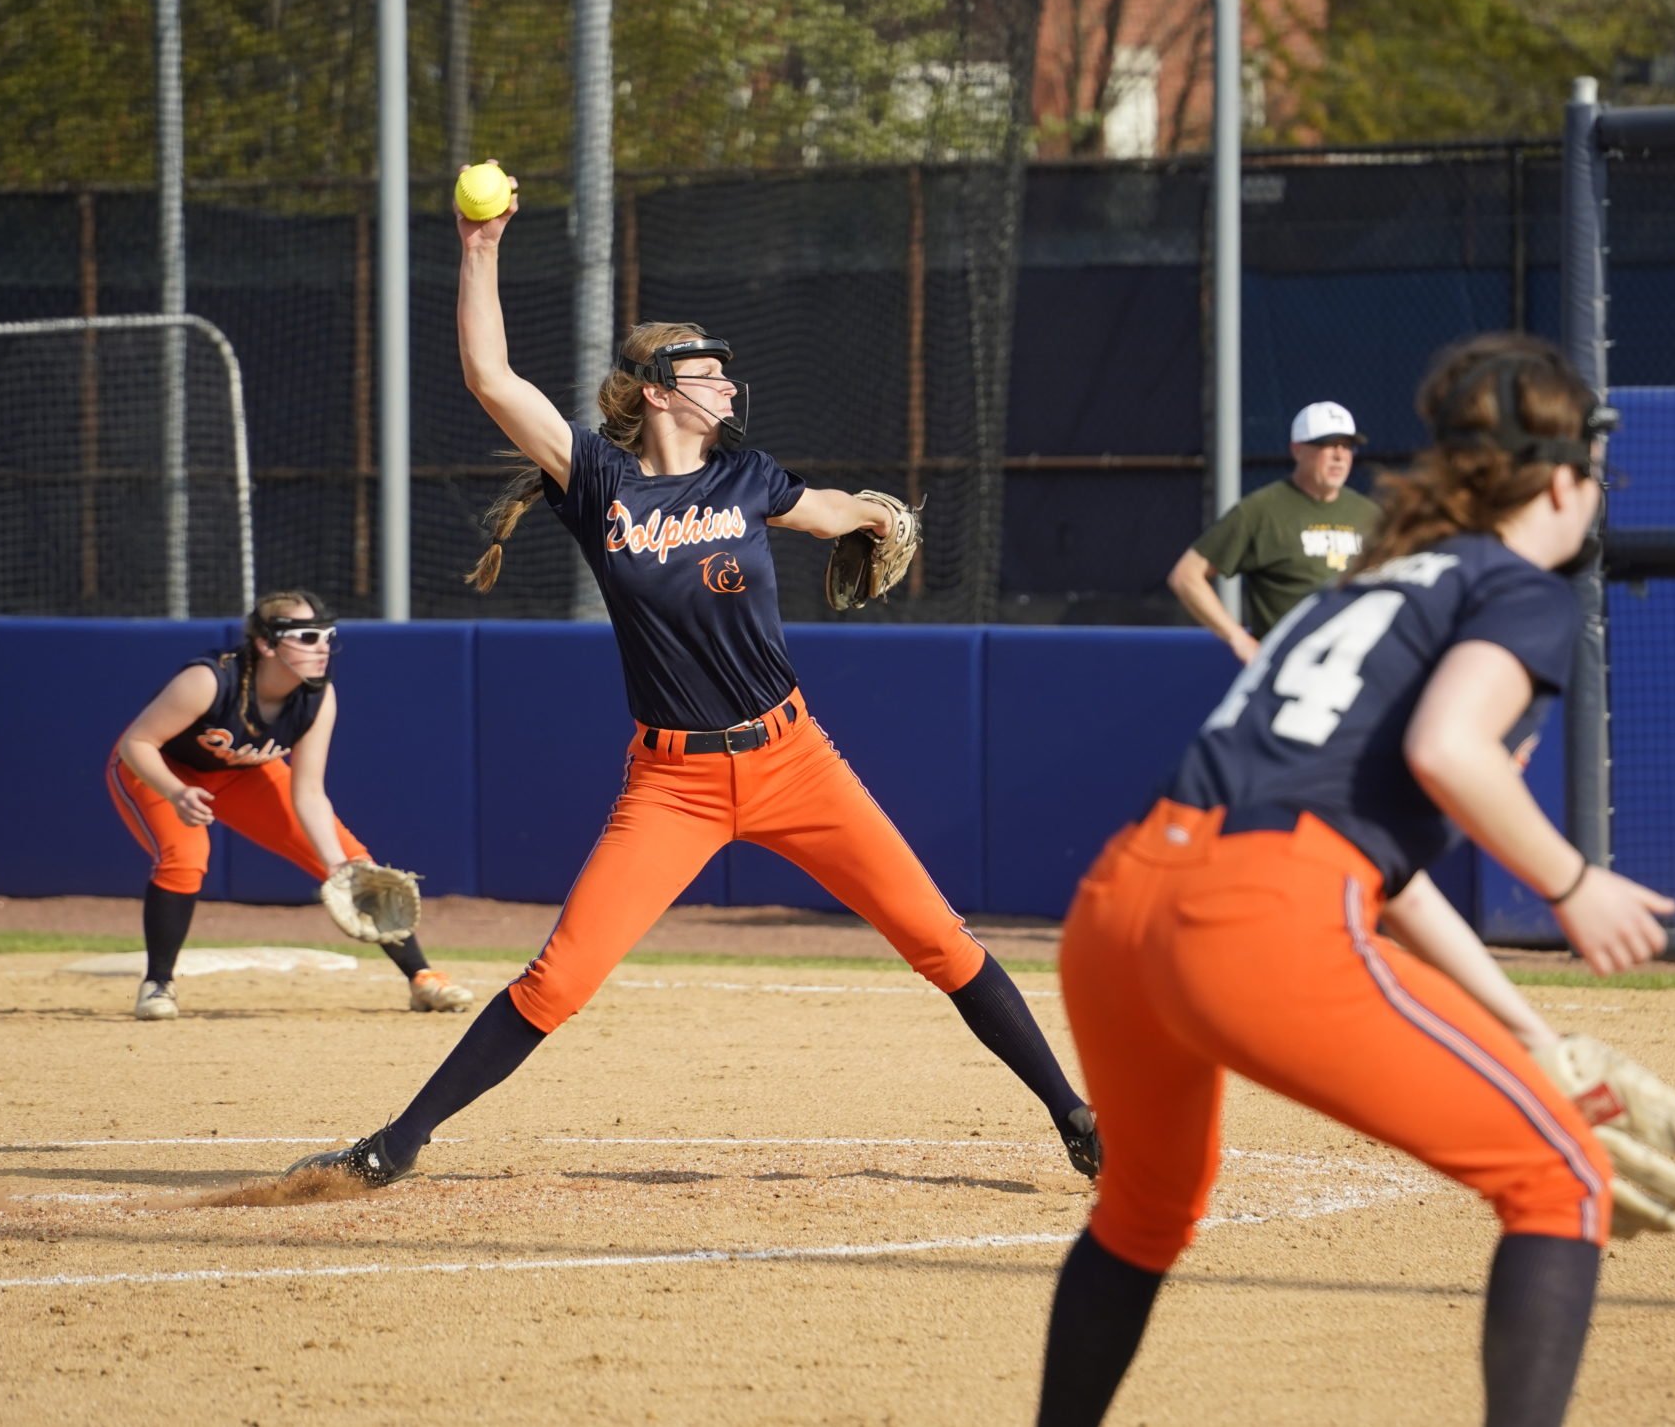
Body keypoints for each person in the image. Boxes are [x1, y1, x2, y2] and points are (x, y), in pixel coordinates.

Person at [289, 165, 1096, 1189]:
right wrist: (480, 248)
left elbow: (828, 507)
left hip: (795, 760)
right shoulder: (599, 483)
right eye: (710, 374)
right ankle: (394, 1145)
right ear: (662, 388)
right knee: (561, 977)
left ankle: (1073, 1115)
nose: (728, 386)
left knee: (938, 938)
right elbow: (491, 378)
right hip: (670, 783)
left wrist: (874, 516)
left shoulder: (746, 477)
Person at [1034, 333, 1675, 1427]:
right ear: (1563, 479)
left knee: (1142, 1216)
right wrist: (1574, 882)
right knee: (1560, 1179)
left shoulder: (1368, 581)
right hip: (1255, 921)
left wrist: (1522, 1030)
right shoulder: (1517, 586)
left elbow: (1378, 868)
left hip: (1119, 906)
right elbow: (1448, 752)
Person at [107, 591, 476, 1021]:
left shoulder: (317, 698)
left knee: (354, 863)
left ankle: (422, 978)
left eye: (326, 636)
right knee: (186, 859)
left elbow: (309, 793)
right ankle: (158, 985)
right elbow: (138, 742)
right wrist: (174, 792)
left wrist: (336, 865)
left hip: (242, 774)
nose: (321, 647)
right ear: (266, 644)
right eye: (306, 636)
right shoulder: (210, 680)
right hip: (157, 770)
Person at [1167, 400, 1383, 663]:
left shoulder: (1369, 515)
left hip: (1354, 667)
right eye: (1327, 444)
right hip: (1288, 670)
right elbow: (1186, 575)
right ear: (1298, 450)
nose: (1339, 456)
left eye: (1347, 446)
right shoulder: (1261, 511)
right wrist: (1239, 638)